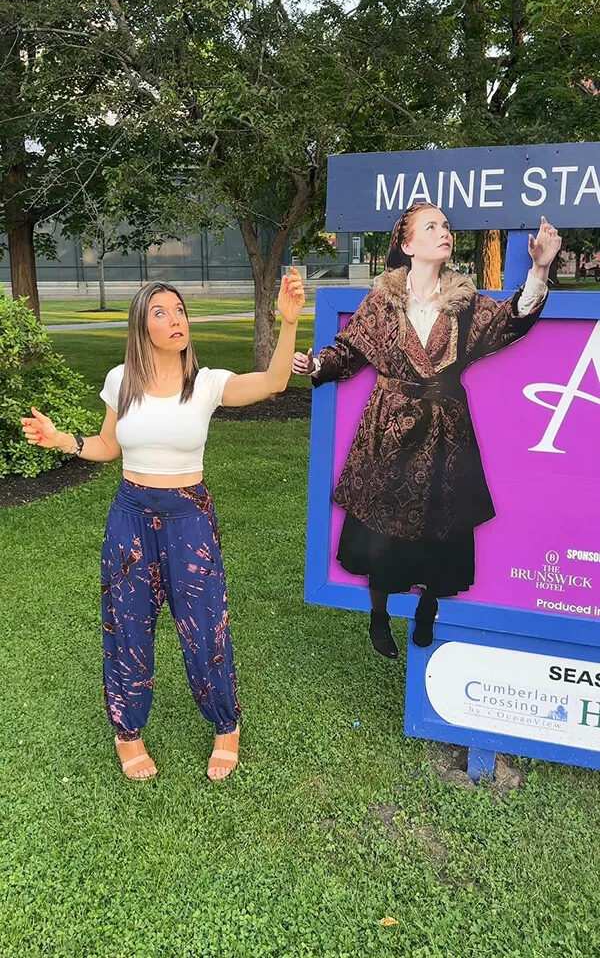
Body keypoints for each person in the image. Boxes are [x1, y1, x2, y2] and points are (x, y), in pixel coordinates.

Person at [22, 271, 305, 781]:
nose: (176, 320)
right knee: (126, 625)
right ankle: (127, 731)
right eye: (161, 312)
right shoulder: (120, 382)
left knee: (204, 627)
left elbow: (274, 382)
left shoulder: (206, 384)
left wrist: (287, 325)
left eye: (180, 311)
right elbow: (109, 447)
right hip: (130, 514)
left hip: (188, 516)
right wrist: (63, 439)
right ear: (142, 326)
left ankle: (226, 725)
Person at [293, 206, 561, 653]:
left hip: (445, 433)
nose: (445, 234)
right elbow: (350, 350)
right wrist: (317, 364)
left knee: (444, 529)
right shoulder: (382, 301)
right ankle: (378, 616)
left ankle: (427, 609)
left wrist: (540, 267)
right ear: (407, 244)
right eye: (432, 227)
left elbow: (511, 318)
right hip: (390, 430)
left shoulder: (463, 302)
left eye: (447, 227)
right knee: (380, 533)